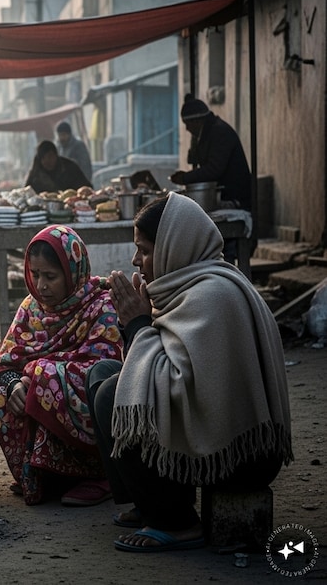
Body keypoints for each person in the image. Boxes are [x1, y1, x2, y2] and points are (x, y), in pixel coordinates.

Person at [87, 193, 293, 552]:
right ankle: (148, 499)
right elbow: (167, 368)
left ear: (174, 247)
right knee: (101, 372)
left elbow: (179, 386)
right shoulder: (187, 286)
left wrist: (137, 322)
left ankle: (176, 522)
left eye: (145, 250)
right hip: (206, 433)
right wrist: (136, 324)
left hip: (238, 455)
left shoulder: (213, 295)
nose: (137, 260)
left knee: (112, 395)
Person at [0, 225, 123, 506]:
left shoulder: (101, 305)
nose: (41, 285)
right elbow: (3, 364)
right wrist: (14, 385)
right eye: (34, 275)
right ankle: (44, 473)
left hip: (92, 409)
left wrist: (36, 374)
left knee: (44, 378)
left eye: (50, 276)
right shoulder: (31, 308)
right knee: (1, 397)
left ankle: (99, 475)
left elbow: (107, 365)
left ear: (73, 273)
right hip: (40, 387)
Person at [169, 95, 252, 264]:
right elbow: (194, 161)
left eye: (187, 125)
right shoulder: (207, 133)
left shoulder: (220, 132)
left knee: (226, 249)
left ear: (197, 121)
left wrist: (185, 178)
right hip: (223, 195)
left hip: (235, 197)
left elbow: (214, 169)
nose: (186, 129)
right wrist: (195, 144)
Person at [24, 140, 92, 195]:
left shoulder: (70, 167)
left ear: (56, 155)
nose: (47, 161)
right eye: (43, 158)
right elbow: (26, 192)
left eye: (50, 156)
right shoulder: (35, 173)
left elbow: (87, 188)